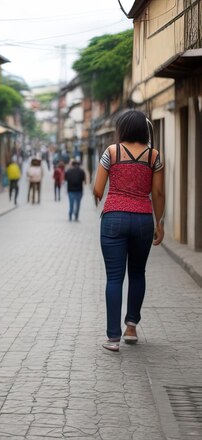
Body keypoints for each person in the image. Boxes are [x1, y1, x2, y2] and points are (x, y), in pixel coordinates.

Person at [93, 110, 165, 352]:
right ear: (145, 130)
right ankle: (131, 327)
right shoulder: (154, 156)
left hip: (114, 218)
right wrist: (160, 222)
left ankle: (113, 338)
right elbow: (158, 193)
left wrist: (99, 197)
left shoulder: (111, 153)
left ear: (122, 129)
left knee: (114, 278)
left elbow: (98, 188)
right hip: (144, 220)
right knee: (137, 273)